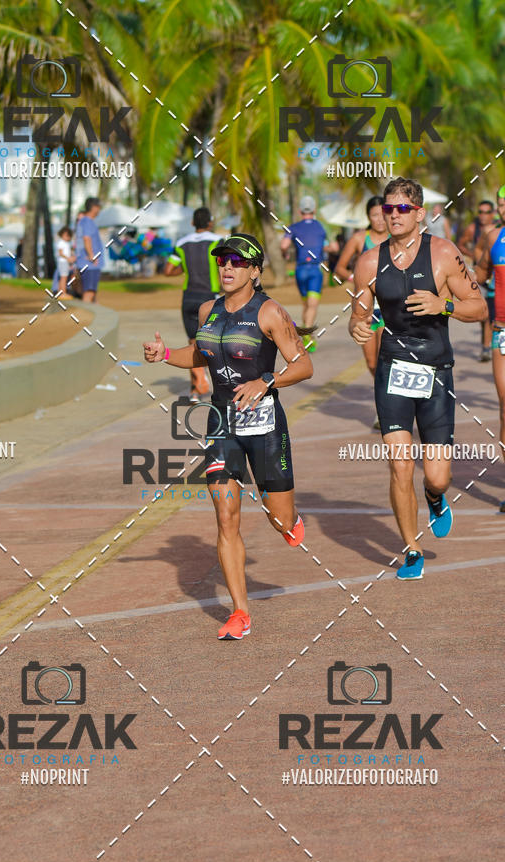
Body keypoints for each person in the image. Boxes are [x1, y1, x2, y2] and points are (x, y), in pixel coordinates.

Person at [144, 233, 313, 639]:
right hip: (221, 423)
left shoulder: (270, 312)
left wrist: (267, 380)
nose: (227, 268)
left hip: (265, 426)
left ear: (255, 271)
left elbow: (304, 364)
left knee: (279, 519)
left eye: (237, 262)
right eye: (222, 262)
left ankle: (291, 522)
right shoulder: (208, 310)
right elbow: (201, 354)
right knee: (225, 516)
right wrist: (166, 355)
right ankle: (240, 613)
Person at [349, 177, 487, 580]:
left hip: (436, 371)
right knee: (399, 466)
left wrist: (441, 304)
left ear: (420, 214)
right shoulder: (369, 262)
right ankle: (411, 549)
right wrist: (358, 328)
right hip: (392, 370)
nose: (393, 215)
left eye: (402, 209)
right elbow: (360, 316)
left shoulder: (444, 254)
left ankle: (435, 497)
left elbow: (478, 306)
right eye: (388, 209)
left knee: (437, 475)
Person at [335, 196, 388, 428]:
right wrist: (355, 279)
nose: (379, 220)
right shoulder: (360, 239)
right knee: (372, 361)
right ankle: (384, 401)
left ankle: (385, 409)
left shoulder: (396, 238)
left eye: (382, 214)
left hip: (390, 308)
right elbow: (339, 267)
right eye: (374, 215)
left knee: (387, 359)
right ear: (368, 217)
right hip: (367, 310)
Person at [164, 207, 222, 402]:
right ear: (210, 222)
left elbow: (168, 269)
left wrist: (185, 271)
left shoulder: (181, 243)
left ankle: (196, 391)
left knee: (192, 343)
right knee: (214, 343)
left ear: (192, 223)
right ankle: (218, 387)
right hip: (210, 297)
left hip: (188, 297)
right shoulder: (217, 241)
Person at [474, 184, 505, 512]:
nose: (502, 208)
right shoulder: (493, 237)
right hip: (502, 330)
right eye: (500, 204)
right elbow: (478, 273)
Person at [280, 196, 328, 352]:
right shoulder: (320, 227)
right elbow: (331, 246)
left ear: (300, 211)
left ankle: (306, 332)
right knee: (312, 305)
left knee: (306, 304)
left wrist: (285, 254)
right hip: (315, 269)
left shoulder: (293, 227)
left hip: (300, 269)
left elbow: (284, 244)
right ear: (314, 210)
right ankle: (307, 333)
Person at [458, 199, 497, 360]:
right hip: (480, 275)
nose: (483, 215)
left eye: (486, 212)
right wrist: (475, 256)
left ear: (493, 214)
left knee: (493, 315)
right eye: (480, 212)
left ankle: (490, 346)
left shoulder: (494, 230)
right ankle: (487, 348)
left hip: (496, 274)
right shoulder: (473, 229)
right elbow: (460, 244)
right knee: (485, 314)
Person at [75, 197, 102, 302]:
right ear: (94, 207)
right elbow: (87, 239)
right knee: (89, 292)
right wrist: (92, 256)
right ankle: (83, 316)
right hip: (90, 264)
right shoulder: (87, 221)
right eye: (99, 207)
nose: (99, 209)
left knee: (91, 292)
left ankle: (92, 315)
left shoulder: (83, 221)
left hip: (85, 262)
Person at [56, 226, 76, 299]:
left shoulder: (66, 243)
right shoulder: (61, 243)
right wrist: (68, 258)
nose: (67, 237)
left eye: (68, 236)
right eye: (65, 235)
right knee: (64, 278)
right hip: (63, 262)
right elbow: (60, 253)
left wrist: (72, 256)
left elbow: (69, 252)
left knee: (62, 278)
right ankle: (63, 293)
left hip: (65, 262)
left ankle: (60, 292)